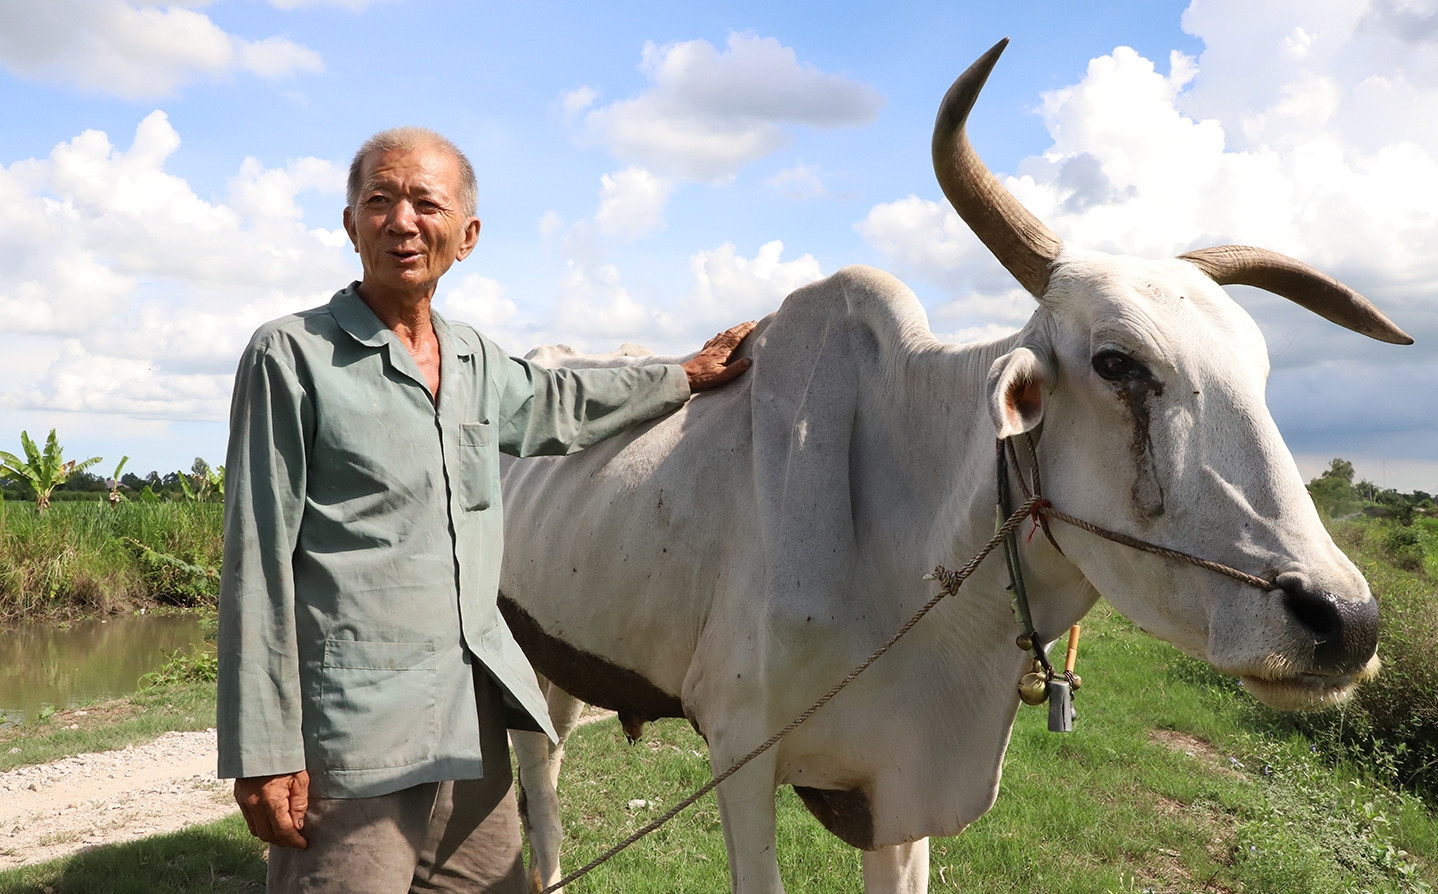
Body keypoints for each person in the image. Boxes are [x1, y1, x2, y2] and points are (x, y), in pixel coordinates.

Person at [217, 126, 753, 893]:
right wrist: (264, 751)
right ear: (349, 225)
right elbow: (255, 563)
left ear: (465, 237)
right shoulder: (291, 356)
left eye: (426, 204)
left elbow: (561, 404)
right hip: (351, 737)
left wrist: (680, 377)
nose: (402, 221)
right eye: (380, 201)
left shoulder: (472, 358)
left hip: (470, 728)